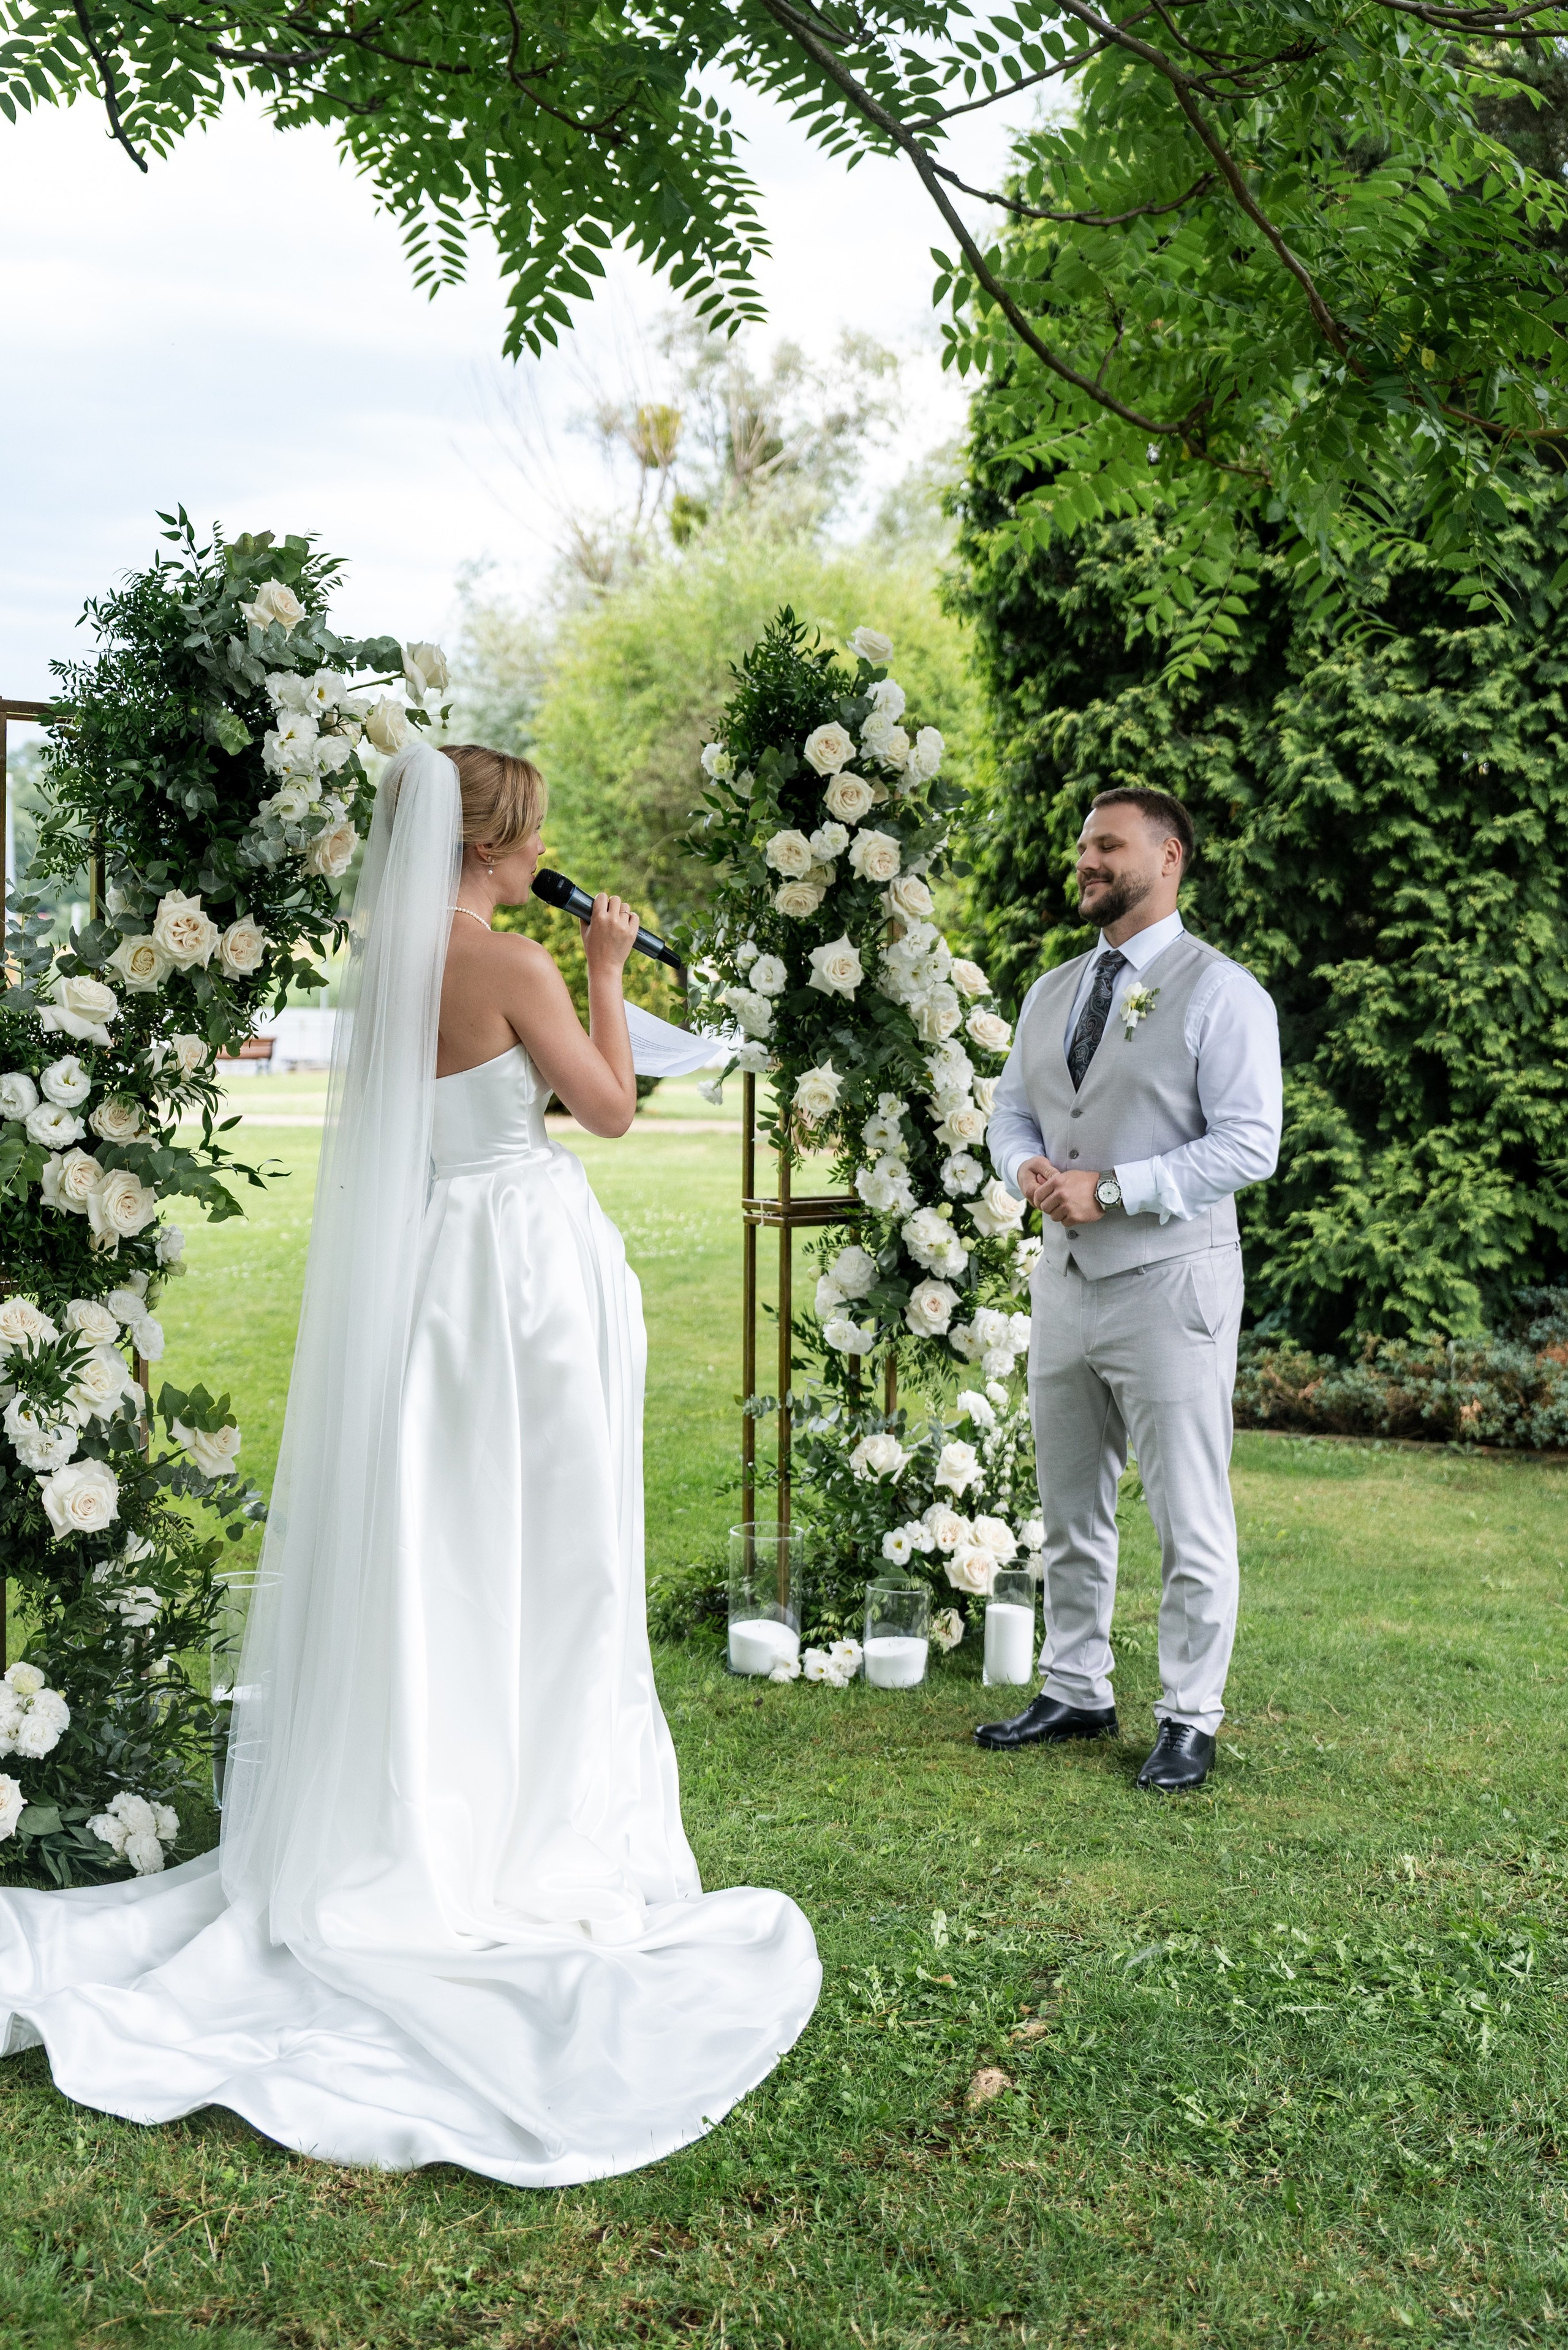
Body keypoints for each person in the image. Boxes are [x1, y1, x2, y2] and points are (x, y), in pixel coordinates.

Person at [0, 741, 820, 2185]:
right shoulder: (511, 959)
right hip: (523, 1274)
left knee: (442, 1535)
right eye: (537, 833)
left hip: (434, 1269)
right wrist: (607, 971)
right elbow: (608, 1108)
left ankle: (428, 1788)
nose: (547, 852)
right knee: (547, 1542)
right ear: (494, 844)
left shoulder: (388, 962)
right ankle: (521, 1819)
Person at [977, 789, 1281, 1792]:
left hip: (1172, 1284)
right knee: (1069, 1504)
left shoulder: (1223, 992)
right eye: (1083, 847)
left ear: (1170, 856)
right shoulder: (1052, 989)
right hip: (1065, 1283)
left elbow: (1251, 1143)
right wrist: (1023, 1165)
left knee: (1189, 1513)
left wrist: (1113, 1189)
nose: (1087, 861)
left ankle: (1190, 1715)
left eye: (1109, 845)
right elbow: (1012, 1110)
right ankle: (1076, 1686)